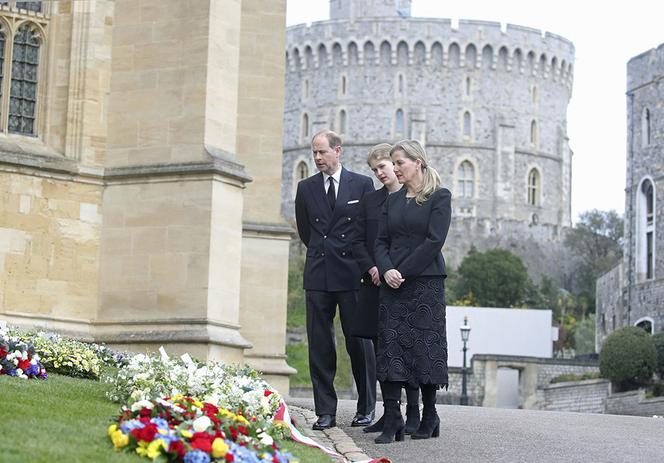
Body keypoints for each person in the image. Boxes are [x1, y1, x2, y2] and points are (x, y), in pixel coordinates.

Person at [294, 129, 377, 430]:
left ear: (338, 151)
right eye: (314, 153)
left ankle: (366, 407)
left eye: (322, 152)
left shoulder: (362, 184)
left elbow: (370, 230)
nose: (317, 158)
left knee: (359, 342)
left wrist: (366, 266)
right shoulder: (306, 188)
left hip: (353, 274)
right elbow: (306, 232)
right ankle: (325, 411)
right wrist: (322, 252)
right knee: (320, 344)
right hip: (318, 273)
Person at [373, 139, 452, 444]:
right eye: (392, 164)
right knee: (391, 347)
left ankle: (430, 414)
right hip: (393, 283)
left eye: (399, 163)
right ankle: (393, 415)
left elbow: (434, 242)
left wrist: (401, 272)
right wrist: (387, 268)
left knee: (424, 348)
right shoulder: (392, 201)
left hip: (425, 283)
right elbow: (380, 241)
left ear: (417, 162)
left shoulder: (439, 197)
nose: (395, 169)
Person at [352, 143, 421, 436]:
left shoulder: (415, 199)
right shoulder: (370, 202)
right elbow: (358, 241)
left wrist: (397, 270)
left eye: (383, 166)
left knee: (410, 348)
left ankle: (414, 412)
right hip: (376, 284)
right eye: (375, 169)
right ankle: (390, 413)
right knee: (382, 350)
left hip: (406, 282)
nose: (380, 173)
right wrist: (374, 268)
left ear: (395, 165)